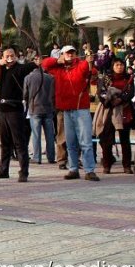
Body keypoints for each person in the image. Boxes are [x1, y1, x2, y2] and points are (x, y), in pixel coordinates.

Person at [43, 45, 99, 181]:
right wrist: (57, 60)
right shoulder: (58, 68)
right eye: (67, 53)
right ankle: (73, 169)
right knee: (70, 142)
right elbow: (44, 64)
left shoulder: (80, 65)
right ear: (62, 54)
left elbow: (91, 70)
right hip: (66, 110)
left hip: (81, 109)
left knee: (85, 142)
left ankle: (89, 170)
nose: (70, 55)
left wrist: (89, 60)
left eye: (72, 52)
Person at [0, 47, 37, 182]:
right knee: (4, 142)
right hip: (3, 110)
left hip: (15, 109)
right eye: (7, 56)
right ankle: (3, 170)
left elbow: (31, 66)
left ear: (16, 56)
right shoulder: (1, 69)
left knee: (19, 142)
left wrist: (37, 61)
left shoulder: (20, 69)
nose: (10, 58)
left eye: (12, 55)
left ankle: (23, 172)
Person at [93, 58, 135, 174]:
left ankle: (127, 165)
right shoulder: (106, 78)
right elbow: (101, 92)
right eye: (117, 65)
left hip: (124, 109)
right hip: (109, 110)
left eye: (121, 65)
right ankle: (107, 165)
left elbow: (131, 93)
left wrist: (121, 99)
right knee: (106, 139)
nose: (119, 67)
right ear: (112, 66)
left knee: (125, 139)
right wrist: (110, 101)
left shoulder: (129, 78)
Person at [23, 57, 56, 164]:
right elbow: (53, 94)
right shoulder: (50, 78)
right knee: (50, 135)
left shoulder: (28, 78)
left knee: (36, 135)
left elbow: (25, 95)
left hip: (34, 109)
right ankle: (51, 157)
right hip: (48, 109)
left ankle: (37, 158)